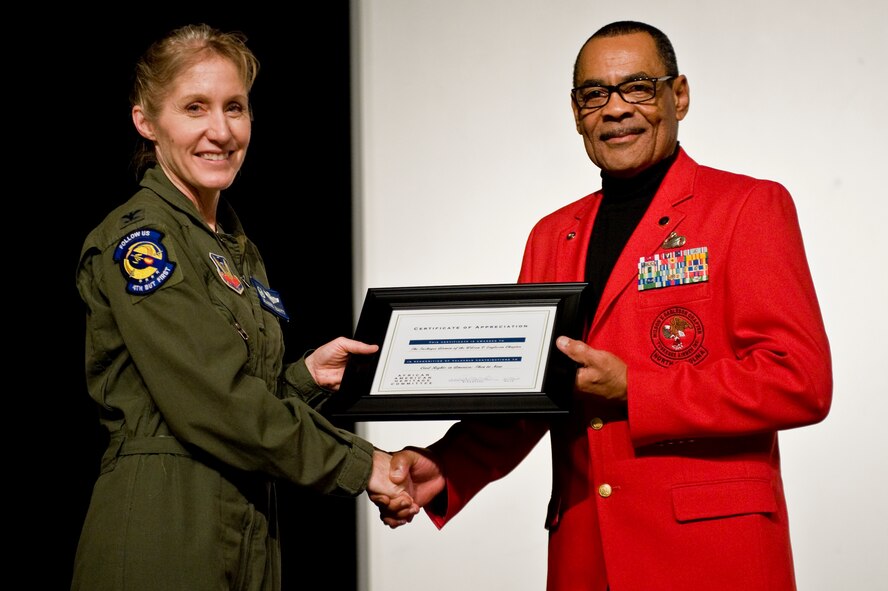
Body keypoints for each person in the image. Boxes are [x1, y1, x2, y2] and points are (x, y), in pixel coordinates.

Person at [372, 20, 832, 591]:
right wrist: (445, 468)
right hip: (587, 554)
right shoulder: (551, 236)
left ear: (678, 95)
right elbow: (530, 393)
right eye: (595, 95)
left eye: (637, 87)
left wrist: (635, 388)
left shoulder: (747, 207)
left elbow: (800, 380)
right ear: (576, 112)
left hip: (715, 554)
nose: (616, 109)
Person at [71, 23, 416, 591]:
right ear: (146, 122)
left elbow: (233, 397)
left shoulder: (231, 246)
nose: (221, 131)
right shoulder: (144, 243)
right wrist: (366, 465)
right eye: (195, 108)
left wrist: (304, 378)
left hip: (243, 521)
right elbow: (215, 406)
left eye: (236, 107)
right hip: (166, 529)